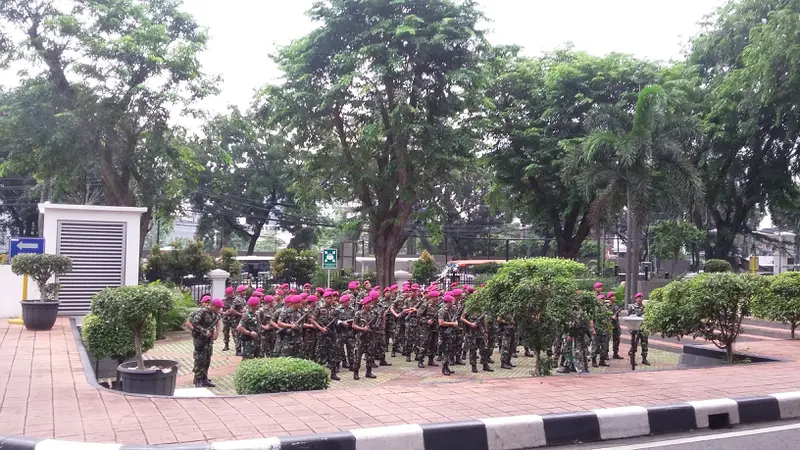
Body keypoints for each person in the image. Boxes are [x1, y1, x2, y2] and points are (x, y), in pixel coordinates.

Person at [188, 298, 222, 387]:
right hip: (200, 339)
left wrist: (215, 333)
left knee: (207, 359)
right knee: (200, 359)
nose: (219, 310)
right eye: (218, 308)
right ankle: (198, 379)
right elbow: (195, 323)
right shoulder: (202, 312)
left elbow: (216, 323)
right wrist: (204, 331)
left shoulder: (214, 314)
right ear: (213, 306)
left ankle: (204, 378)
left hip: (208, 340)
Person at [312, 292, 341, 380]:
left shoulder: (335, 309)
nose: (329, 299)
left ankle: (333, 373)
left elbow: (337, 320)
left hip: (332, 334)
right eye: (327, 298)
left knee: (333, 353)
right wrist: (320, 328)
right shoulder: (319, 308)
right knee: (320, 353)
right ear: (324, 298)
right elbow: (313, 320)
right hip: (322, 333)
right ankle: (318, 374)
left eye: (331, 298)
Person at [351, 295, 379, 380]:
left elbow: (376, 324)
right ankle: (356, 373)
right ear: (364, 304)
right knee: (358, 356)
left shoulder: (373, 313)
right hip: (360, 338)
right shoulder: (358, 314)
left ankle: (369, 372)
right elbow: (353, 325)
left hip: (370, 337)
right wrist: (363, 329)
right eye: (368, 303)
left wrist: (373, 327)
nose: (370, 305)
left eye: (370, 303)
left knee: (370, 355)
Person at [462, 304, 493, 373]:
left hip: (480, 332)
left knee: (484, 349)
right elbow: (462, 318)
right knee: (473, 349)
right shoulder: (469, 308)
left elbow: (483, 320)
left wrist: (485, 330)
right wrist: (470, 323)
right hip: (471, 332)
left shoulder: (481, 308)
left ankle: (485, 365)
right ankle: (474, 366)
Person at [415, 291, 441, 368]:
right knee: (424, 344)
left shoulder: (437, 306)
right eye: (436, 297)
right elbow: (418, 315)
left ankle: (431, 360)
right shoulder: (425, 305)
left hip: (434, 328)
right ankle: (420, 361)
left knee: (433, 344)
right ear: (432, 297)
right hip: (426, 328)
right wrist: (426, 321)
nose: (438, 298)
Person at [437, 294, 459, 376]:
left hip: (450, 333)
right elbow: (441, 323)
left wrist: (455, 321)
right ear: (448, 302)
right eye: (451, 301)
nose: (453, 303)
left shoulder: (451, 309)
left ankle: (447, 367)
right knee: (445, 351)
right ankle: (444, 368)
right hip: (444, 333)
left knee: (449, 350)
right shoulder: (442, 311)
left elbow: (455, 317)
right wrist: (452, 323)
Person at [628, 292, 649, 365]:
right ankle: (632, 359)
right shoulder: (632, 307)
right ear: (635, 299)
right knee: (634, 345)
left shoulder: (645, 307)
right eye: (637, 298)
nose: (639, 299)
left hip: (643, 328)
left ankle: (644, 359)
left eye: (640, 298)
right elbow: (629, 317)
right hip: (635, 329)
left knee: (645, 344)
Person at [607, 291, 623, 359]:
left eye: (614, 296)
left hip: (616, 325)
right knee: (606, 340)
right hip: (609, 325)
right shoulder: (606, 306)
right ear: (609, 298)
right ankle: (605, 354)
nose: (614, 297)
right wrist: (611, 316)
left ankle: (615, 353)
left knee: (617, 339)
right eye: (612, 296)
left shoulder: (616, 306)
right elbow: (605, 314)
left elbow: (617, 315)